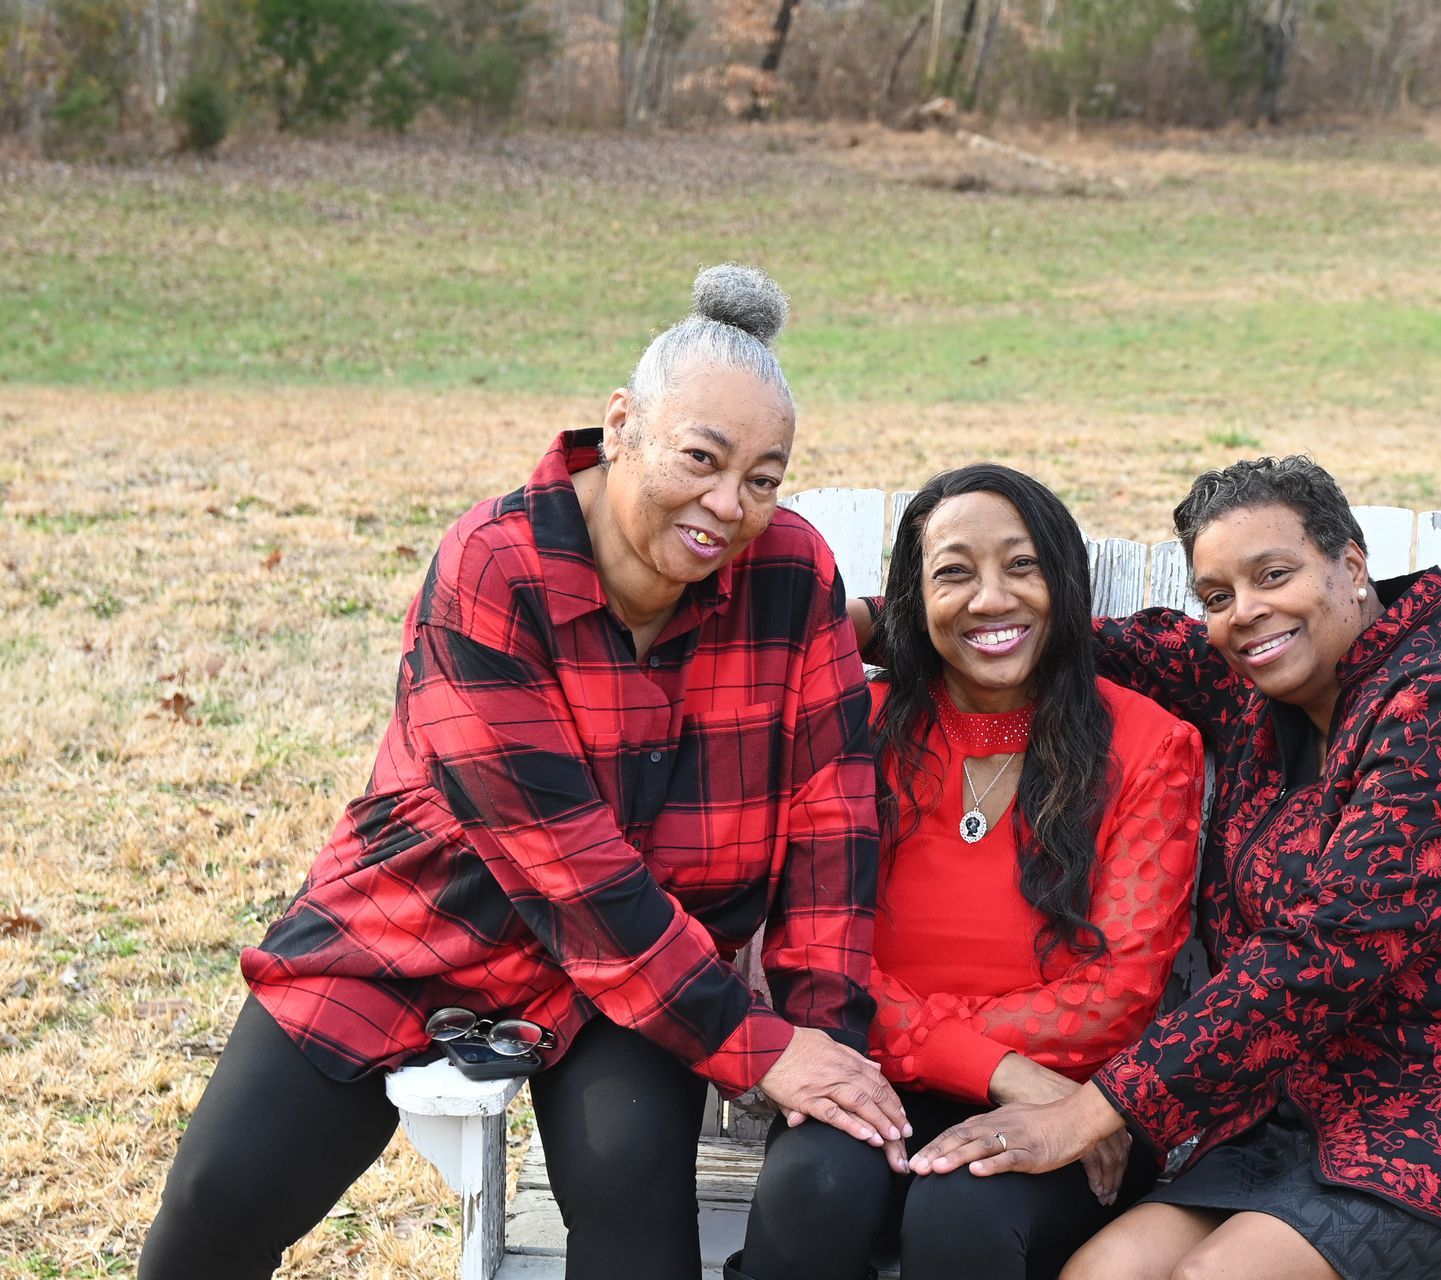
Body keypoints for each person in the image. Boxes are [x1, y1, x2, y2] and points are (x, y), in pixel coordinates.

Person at [139, 265, 909, 1280]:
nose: (729, 506)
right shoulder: (496, 565)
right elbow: (568, 870)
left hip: (650, 964)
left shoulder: (792, 572)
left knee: (637, 1219)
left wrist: (823, 1038)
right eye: (702, 458)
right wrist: (761, 1046)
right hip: (429, 921)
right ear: (621, 424)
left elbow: (830, 819)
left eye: (763, 480)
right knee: (216, 1202)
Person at [905, 456, 1441, 1280]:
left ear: (1350, 565)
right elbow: (1060, 636)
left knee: (1209, 1279)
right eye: (1218, 596)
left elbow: (1324, 955)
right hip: (1311, 1108)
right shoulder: (1257, 685)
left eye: (1274, 575)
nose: (1246, 613)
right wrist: (877, 622)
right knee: (1105, 1273)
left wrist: (1088, 1112)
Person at [734, 465, 1204, 1280]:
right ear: (915, 601)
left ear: (1065, 583)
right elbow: (816, 956)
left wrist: (959, 1055)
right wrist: (990, 1068)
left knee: (961, 1211)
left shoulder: (1150, 745)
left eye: (1023, 566)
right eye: (954, 572)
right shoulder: (857, 729)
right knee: (813, 1188)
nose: (992, 598)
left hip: (1070, 1105)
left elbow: (1118, 994)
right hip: (873, 1077)